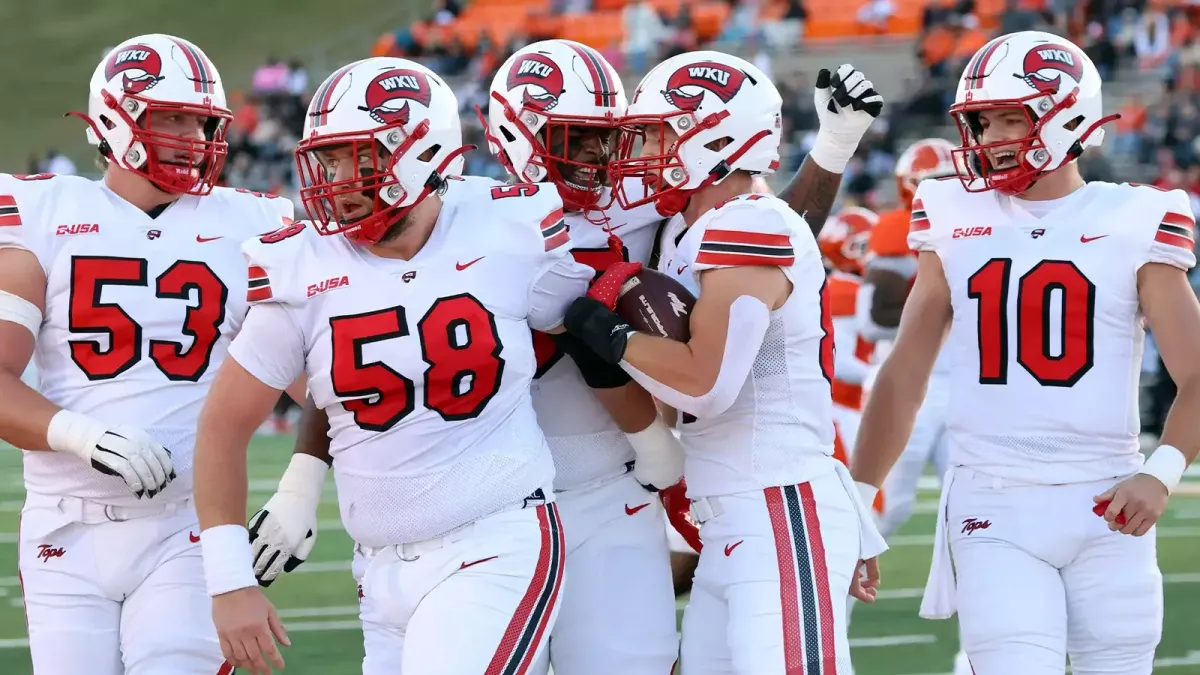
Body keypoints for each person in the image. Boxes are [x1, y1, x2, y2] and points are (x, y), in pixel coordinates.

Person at [192, 57, 593, 675]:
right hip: (376, 569)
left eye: (359, 156)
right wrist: (228, 578)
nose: (339, 179)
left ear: (424, 151)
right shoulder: (300, 264)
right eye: (330, 160)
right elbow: (223, 425)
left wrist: (652, 456)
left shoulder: (508, 228)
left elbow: (594, 337)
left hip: (496, 541)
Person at [851, 30, 1200, 674]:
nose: (990, 138)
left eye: (1012, 117)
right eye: (982, 123)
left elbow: (1197, 375)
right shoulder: (950, 210)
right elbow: (904, 374)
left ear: (1068, 115)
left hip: (1110, 499)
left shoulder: (1138, 216)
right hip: (993, 499)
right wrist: (858, 499)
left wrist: (1163, 471)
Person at [561, 52, 887, 673]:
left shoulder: (751, 223)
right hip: (730, 519)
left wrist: (605, 334)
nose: (641, 149)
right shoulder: (691, 228)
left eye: (660, 132)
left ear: (711, 137)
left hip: (777, 504)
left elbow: (705, 384)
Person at [0, 34, 294, 675]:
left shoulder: (253, 224)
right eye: (172, 118)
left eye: (202, 119)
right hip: (63, 530)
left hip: (187, 524)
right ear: (113, 118)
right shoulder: (42, 213)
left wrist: (304, 479)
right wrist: (79, 434)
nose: (194, 134)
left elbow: (321, 382)